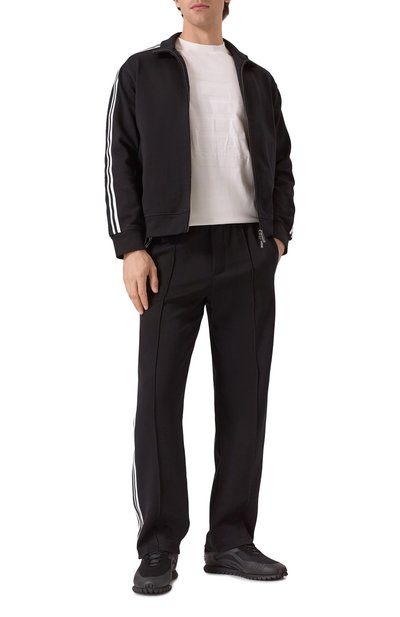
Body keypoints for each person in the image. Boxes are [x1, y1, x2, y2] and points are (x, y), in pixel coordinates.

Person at [104, 0, 295, 595]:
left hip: (247, 250)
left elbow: (282, 163)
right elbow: (119, 159)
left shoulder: (257, 78)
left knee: (245, 399)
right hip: (170, 254)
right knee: (159, 398)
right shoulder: (141, 71)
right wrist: (131, 247)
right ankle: (159, 546)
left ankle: (231, 540)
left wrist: (278, 235)